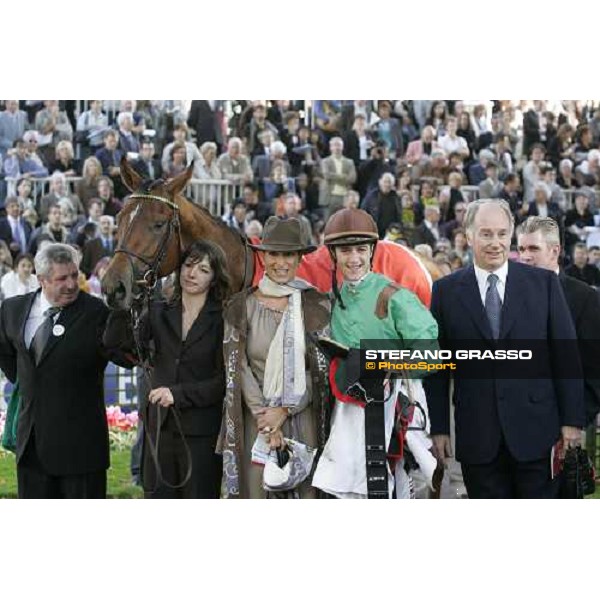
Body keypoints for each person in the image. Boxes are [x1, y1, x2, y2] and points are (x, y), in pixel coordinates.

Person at [424, 199, 585, 499]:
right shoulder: (445, 291)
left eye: (502, 233)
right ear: (468, 235)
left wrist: (572, 421)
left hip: (538, 433)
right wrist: (439, 427)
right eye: (486, 233)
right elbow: (436, 366)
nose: (495, 242)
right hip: (477, 437)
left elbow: (566, 356)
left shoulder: (544, 284)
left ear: (511, 233)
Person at [312, 208, 440, 499]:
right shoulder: (333, 300)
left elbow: (431, 355)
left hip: (394, 405)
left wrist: (387, 365)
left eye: (361, 249)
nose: (354, 258)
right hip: (348, 410)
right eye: (346, 250)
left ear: (371, 251)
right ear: (333, 255)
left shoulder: (393, 295)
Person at [0, 243, 131, 498]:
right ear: (42, 280)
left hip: (81, 450)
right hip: (32, 448)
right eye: (62, 278)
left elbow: (126, 356)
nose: (71, 284)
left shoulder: (97, 313)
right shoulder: (12, 310)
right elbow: (5, 351)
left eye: (75, 275)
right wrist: (32, 383)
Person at [105, 241, 230, 498]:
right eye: (188, 265)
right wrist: (122, 304)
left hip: (201, 432)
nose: (192, 274)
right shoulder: (159, 310)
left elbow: (224, 381)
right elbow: (120, 348)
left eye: (203, 270)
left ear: (215, 278)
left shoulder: (223, 319)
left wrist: (178, 394)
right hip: (159, 429)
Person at [219, 217, 331, 498]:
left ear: (299, 258)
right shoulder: (240, 305)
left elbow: (320, 367)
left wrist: (286, 409)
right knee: (257, 493)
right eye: (274, 254)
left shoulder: (317, 304)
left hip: (301, 417)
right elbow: (238, 368)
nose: (281, 262)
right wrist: (267, 420)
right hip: (256, 420)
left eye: (288, 255)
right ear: (263, 256)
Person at [517, 216, 600, 426]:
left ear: (555, 250)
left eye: (533, 249)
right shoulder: (505, 294)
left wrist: (574, 421)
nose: (525, 257)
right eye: (521, 249)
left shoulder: (584, 298)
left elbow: (594, 370)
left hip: (559, 423)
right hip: (510, 426)